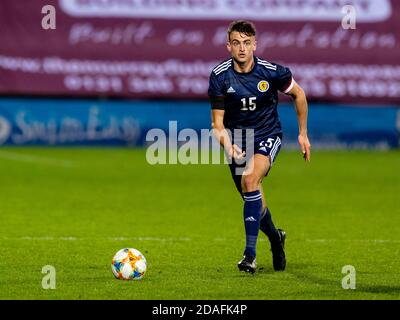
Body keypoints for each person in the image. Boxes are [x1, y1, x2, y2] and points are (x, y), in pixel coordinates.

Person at [208, 20, 311, 273]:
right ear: (228, 46)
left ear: (255, 44)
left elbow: (299, 94)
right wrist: (229, 145)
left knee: (251, 179)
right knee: (253, 200)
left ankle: (249, 255)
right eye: (236, 43)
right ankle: (276, 238)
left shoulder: (271, 72)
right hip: (238, 141)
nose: (241, 48)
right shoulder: (219, 76)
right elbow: (217, 124)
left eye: (246, 42)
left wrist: (303, 134)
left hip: (268, 134)